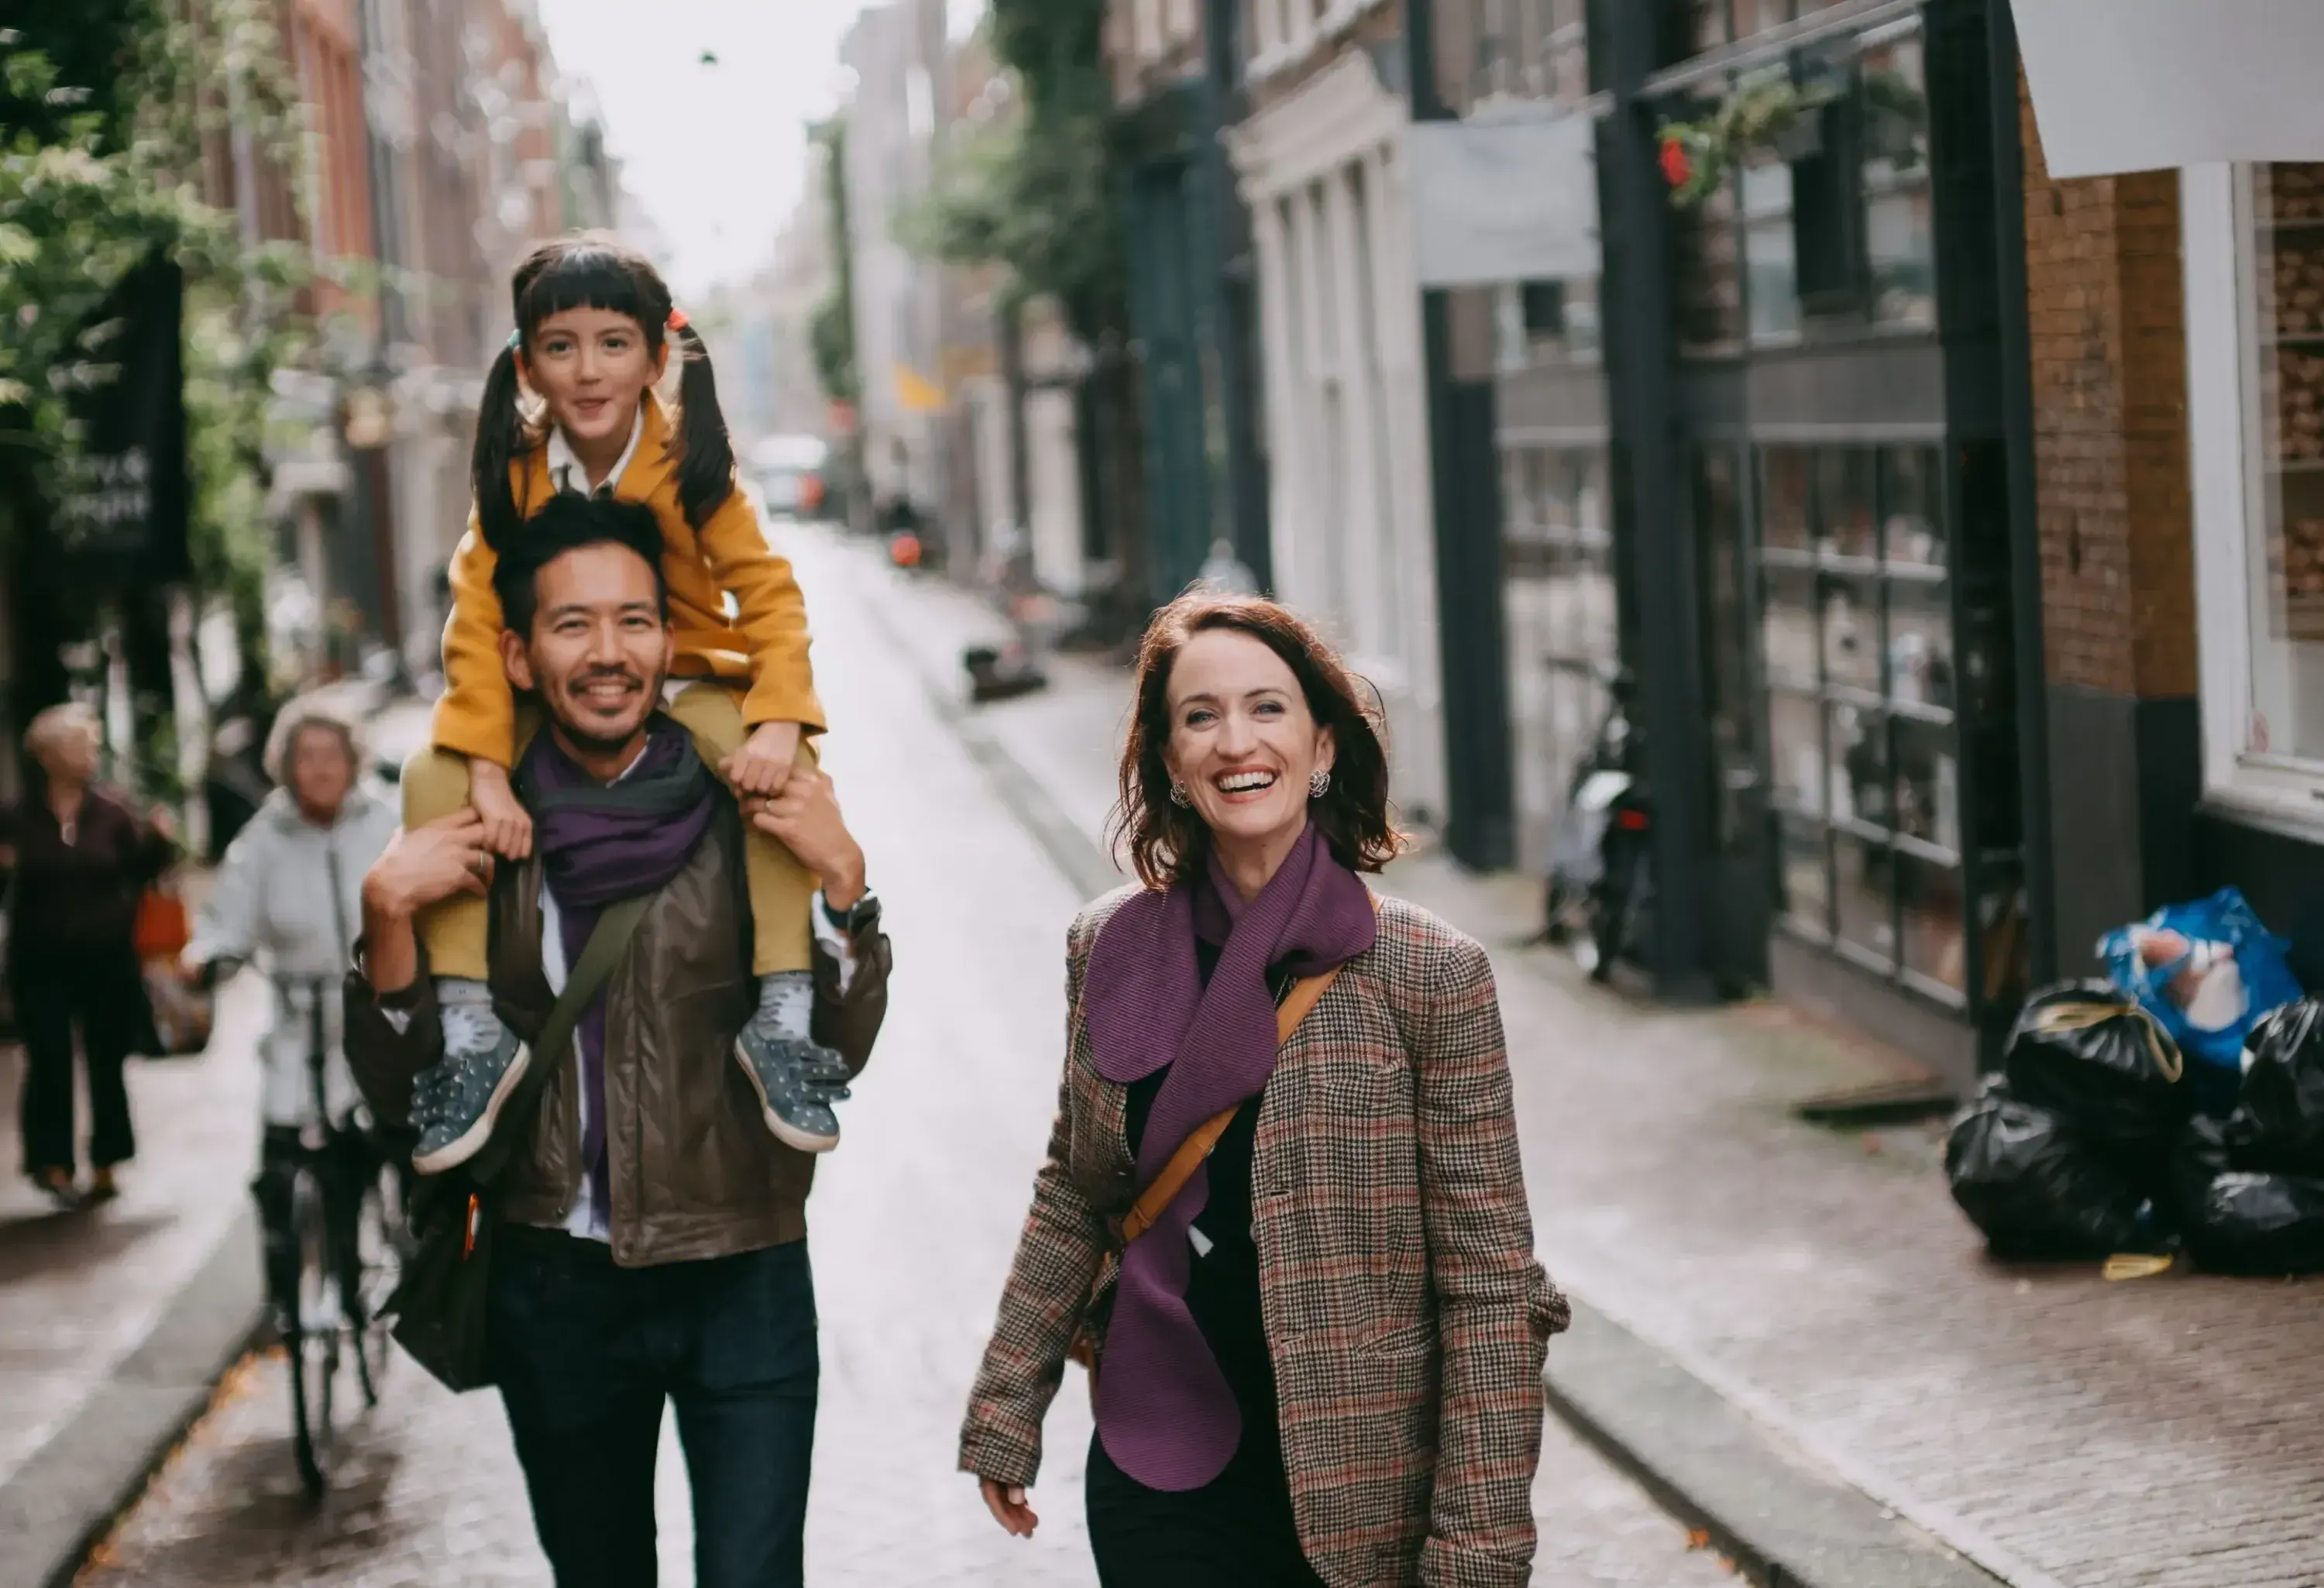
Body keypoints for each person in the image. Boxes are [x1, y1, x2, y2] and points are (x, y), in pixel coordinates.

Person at [959, 593, 1567, 1587]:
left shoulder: (1427, 975)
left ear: (1323, 745)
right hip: (1162, 1464)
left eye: (1267, 708)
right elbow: (1079, 1185)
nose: (1236, 741)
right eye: (1200, 716)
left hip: (1359, 1489)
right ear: (1167, 759)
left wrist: (1478, 1549)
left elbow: (1490, 1286)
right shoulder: (1108, 947)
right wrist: (1006, 1404)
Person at [344, 491, 890, 1588]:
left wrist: (844, 892)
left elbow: (836, 1048)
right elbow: (409, 1091)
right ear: (518, 649)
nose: (609, 652)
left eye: (634, 620)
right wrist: (385, 921)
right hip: (555, 1284)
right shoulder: (475, 813)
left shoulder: (746, 794)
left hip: (743, 1266)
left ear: (670, 636)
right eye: (573, 624)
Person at [400, 232, 844, 1178]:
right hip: (556, 678)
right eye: (560, 346)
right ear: (527, 364)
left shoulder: (693, 460)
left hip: (680, 671)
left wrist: (773, 722)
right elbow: (476, 619)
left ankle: (783, 1011)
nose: (588, 369)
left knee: (787, 779)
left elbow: (769, 594)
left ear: (653, 356)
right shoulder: (511, 469)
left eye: (612, 343)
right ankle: (473, 1028)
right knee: (426, 774)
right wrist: (486, 771)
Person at [181, 697, 400, 1311]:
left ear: (353, 761)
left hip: (380, 1016)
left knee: (387, 1142)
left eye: (332, 755)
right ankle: (285, 1290)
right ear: (286, 765)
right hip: (299, 1023)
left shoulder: (386, 824)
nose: (321, 769)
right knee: (282, 1160)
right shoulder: (262, 839)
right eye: (307, 757)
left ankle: (398, 1263)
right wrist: (208, 955)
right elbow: (229, 917)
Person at [0, 703, 175, 1208]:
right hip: (39, 959)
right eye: (81, 745)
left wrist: (159, 844)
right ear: (49, 755)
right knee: (48, 1058)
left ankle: (106, 1161)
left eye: (92, 745)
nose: (90, 754)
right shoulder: (16, 816)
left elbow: (140, 874)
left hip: (106, 957)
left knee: (106, 1059)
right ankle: (51, 1162)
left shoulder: (113, 811)